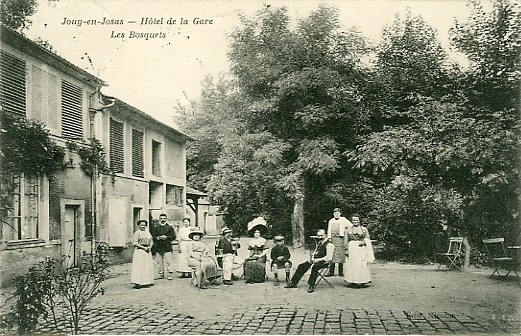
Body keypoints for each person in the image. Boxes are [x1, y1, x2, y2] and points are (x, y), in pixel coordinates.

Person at [285, 229, 334, 293]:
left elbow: (329, 258)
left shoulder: (329, 245)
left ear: (325, 235)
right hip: (316, 260)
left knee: (315, 267)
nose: (319, 237)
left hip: (325, 262)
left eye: (321, 236)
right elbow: (316, 251)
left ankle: (311, 285)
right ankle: (294, 283)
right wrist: (313, 258)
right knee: (302, 266)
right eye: (318, 236)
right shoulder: (320, 243)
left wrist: (317, 260)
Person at [344, 214, 375, 287]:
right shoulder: (348, 229)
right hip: (352, 247)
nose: (355, 221)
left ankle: (363, 280)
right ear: (351, 221)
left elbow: (367, 237)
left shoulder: (364, 229)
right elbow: (345, 240)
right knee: (352, 264)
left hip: (361, 248)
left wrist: (364, 242)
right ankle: (353, 281)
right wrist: (346, 250)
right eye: (354, 220)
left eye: (357, 220)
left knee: (362, 263)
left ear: (359, 221)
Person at [327, 207, 352, 277]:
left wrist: (345, 232)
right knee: (333, 254)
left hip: (341, 239)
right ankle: (331, 271)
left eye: (337, 213)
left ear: (340, 214)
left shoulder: (343, 220)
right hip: (333, 239)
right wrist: (329, 238)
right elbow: (329, 229)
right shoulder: (331, 221)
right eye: (335, 213)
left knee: (341, 254)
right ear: (333, 214)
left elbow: (350, 226)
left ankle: (341, 272)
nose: (336, 215)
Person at [151, 213, 176, 280]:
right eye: (161, 218)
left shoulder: (170, 227)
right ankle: (160, 274)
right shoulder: (156, 228)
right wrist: (157, 238)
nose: (163, 220)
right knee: (159, 262)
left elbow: (173, 236)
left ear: (166, 219)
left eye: (164, 218)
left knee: (168, 262)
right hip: (158, 247)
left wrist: (166, 237)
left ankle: (169, 274)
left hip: (167, 246)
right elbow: (152, 236)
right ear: (159, 219)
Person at [131, 220, 154, 289]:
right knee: (139, 266)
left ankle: (146, 282)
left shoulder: (147, 232)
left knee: (147, 266)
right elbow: (135, 243)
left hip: (147, 251)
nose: (143, 226)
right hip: (140, 251)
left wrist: (150, 247)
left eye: (144, 225)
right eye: (141, 225)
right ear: (139, 226)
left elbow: (151, 241)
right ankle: (137, 282)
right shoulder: (137, 233)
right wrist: (143, 248)